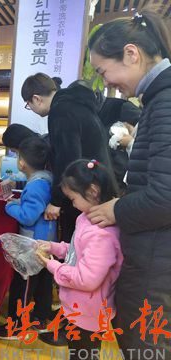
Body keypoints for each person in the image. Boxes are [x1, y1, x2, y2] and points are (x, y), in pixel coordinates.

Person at [87, 9, 171, 357]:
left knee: (146, 346)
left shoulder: (165, 102)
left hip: (156, 265)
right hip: (154, 256)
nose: (106, 82)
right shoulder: (157, 100)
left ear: (131, 53)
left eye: (104, 70)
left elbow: (165, 196)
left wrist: (116, 209)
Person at [37, 159, 123, 360]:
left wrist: (52, 266)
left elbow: (87, 278)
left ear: (92, 191)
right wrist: (54, 247)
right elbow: (77, 252)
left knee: (83, 354)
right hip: (78, 306)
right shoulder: (86, 217)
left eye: (73, 198)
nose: (72, 204)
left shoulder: (102, 233)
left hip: (90, 314)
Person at [21, 73, 112, 243]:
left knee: (79, 243)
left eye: (28, 105)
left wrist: (57, 201)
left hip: (83, 190)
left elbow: (67, 158)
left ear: (36, 99)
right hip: (97, 184)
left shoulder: (61, 111)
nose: (31, 109)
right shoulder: (75, 104)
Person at [0, 137, 57, 341]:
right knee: (43, 283)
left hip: (33, 245)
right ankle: (40, 317)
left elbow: (28, 216)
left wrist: (11, 205)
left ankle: (16, 325)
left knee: (24, 284)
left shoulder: (37, 185)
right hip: (45, 242)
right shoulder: (45, 178)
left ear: (21, 162)